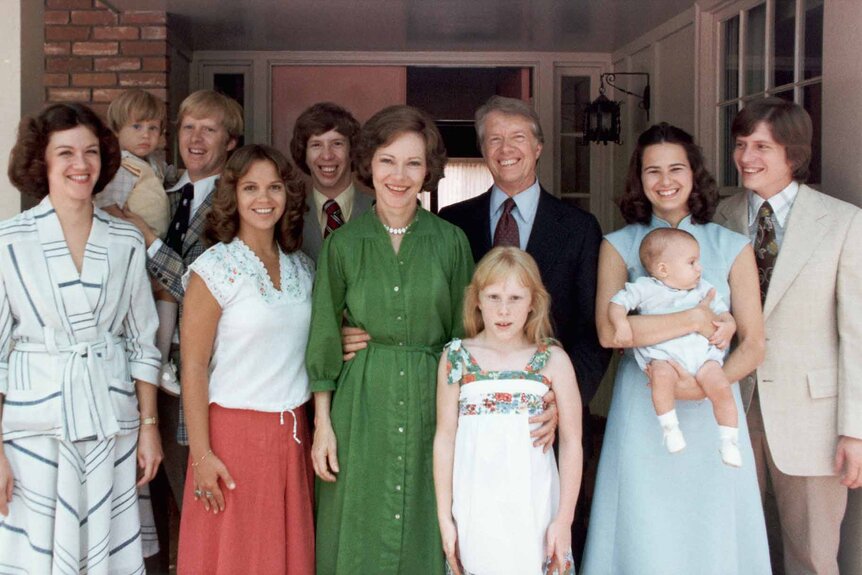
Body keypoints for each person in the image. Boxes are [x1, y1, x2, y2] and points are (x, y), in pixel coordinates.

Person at [581, 123, 770, 575]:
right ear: (638, 179)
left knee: (710, 524)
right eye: (652, 171)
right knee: (644, 523)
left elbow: (754, 342)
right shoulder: (617, 244)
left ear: (694, 173)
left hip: (713, 408)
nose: (665, 180)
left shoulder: (732, 246)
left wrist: (709, 385)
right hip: (643, 407)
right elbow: (611, 334)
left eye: (676, 168)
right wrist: (693, 320)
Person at [437, 95, 609, 561]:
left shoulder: (579, 228)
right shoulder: (452, 225)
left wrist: (563, 401)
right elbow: (438, 316)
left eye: (517, 137)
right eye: (493, 139)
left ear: (538, 147)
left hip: (542, 430)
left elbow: (595, 333)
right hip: (475, 444)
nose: (505, 148)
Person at [306, 104, 474, 573]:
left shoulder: (451, 242)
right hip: (360, 404)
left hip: (433, 400)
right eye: (387, 161)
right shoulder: (343, 243)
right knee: (358, 522)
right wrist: (323, 426)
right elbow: (323, 334)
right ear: (368, 165)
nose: (399, 175)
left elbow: (465, 340)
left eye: (413, 163)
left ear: (428, 171)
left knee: (427, 516)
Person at [0, 103, 162, 573]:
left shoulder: (125, 239)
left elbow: (141, 342)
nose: (81, 164)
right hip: (33, 429)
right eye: (66, 153)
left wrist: (149, 429)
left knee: (105, 552)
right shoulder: (9, 241)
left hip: (110, 422)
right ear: (42, 161)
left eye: (91, 152)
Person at [713, 98, 862, 575]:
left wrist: (854, 430)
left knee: (814, 557)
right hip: (731, 406)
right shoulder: (719, 217)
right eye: (740, 145)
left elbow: (856, 334)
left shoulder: (843, 221)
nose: (746, 157)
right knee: (734, 550)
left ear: (793, 154)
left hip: (813, 418)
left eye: (761, 146)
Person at [177, 145, 315, 574]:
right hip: (232, 439)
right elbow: (193, 367)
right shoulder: (214, 268)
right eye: (251, 187)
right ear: (232, 195)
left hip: (292, 439)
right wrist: (201, 456)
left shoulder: (303, 268)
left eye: (274, 187)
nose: (264, 198)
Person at [120, 89, 243, 566]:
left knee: (194, 491)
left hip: (198, 374)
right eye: (188, 127)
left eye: (208, 129)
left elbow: (200, 286)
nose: (195, 138)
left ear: (230, 141)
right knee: (147, 499)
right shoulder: (164, 191)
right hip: (148, 369)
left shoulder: (232, 205)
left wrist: (148, 239)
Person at [434, 247, 580, 575]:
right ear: (477, 300)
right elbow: (445, 438)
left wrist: (564, 519)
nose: (503, 310)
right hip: (476, 510)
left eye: (515, 298)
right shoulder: (456, 358)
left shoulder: (553, 360)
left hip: (535, 509)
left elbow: (572, 442)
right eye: (494, 297)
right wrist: (446, 518)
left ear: (533, 302)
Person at [608, 227, 741, 466]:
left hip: (702, 357)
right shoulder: (645, 288)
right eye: (692, 262)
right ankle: (669, 427)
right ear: (663, 269)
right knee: (660, 377)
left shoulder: (702, 289)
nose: (699, 267)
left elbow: (724, 314)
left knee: (721, 386)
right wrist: (621, 324)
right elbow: (617, 303)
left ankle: (729, 439)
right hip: (665, 356)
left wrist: (729, 326)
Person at [98, 88, 180, 397]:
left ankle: (161, 355)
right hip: (134, 247)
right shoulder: (121, 167)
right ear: (117, 129)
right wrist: (132, 232)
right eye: (136, 127)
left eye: (153, 128)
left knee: (168, 294)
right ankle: (155, 361)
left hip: (153, 244)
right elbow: (108, 207)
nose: (146, 135)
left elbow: (169, 179)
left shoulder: (152, 163)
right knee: (156, 296)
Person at [289, 101, 373, 263]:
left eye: (337, 143)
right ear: (304, 154)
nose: (327, 155)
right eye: (316, 145)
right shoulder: (288, 216)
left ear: (352, 150)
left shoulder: (380, 213)